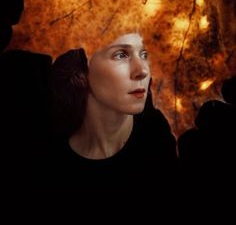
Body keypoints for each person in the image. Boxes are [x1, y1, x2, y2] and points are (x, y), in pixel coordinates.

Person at [45, 32, 178, 199]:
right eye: (121, 54)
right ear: (80, 72)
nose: (142, 71)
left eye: (144, 54)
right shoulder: (50, 161)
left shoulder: (163, 142)